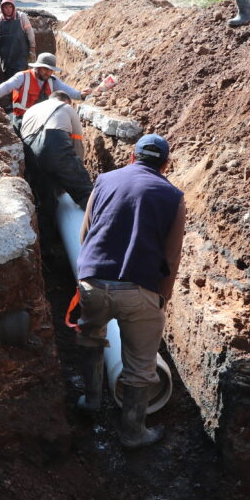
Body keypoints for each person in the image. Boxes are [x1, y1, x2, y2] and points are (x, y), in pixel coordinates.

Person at [73, 134, 185, 449]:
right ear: (166, 164)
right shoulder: (173, 197)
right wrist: (162, 297)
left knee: (91, 340)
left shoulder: (105, 181)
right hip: (140, 290)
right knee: (139, 364)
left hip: (93, 283)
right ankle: (133, 432)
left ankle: (92, 401)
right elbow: (171, 257)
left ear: (132, 158)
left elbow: (85, 232)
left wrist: (91, 276)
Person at [21, 90, 93, 230]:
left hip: (29, 151)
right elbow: (77, 143)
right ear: (66, 101)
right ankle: (104, 233)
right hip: (55, 143)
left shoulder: (31, 109)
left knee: (46, 201)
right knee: (86, 194)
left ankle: (47, 247)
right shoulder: (66, 107)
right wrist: (76, 171)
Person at [0, 53, 85, 127]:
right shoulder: (23, 77)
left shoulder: (53, 81)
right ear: (37, 67)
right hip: (22, 119)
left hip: (42, 119)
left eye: (51, 70)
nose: (48, 73)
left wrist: (80, 95)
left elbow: (67, 89)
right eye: (45, 69)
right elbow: (7, 86)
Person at [0, 0, 35, 79]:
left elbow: (30, 33)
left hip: (20, 55)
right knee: (8, 77)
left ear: (14, 7)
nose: (8, 9)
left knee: (21, 76)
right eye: (5, 7)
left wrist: (32, 48)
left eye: (10, 7)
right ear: (2, 8)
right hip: (6, 56)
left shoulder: (21, 17)